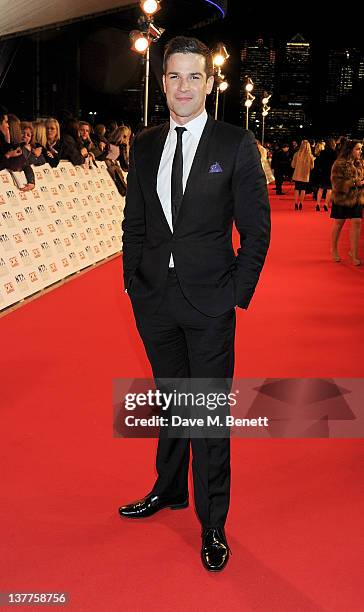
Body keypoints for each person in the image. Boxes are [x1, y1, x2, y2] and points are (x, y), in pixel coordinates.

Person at [119, 36, 270, 572]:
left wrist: (235, 295)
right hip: (154, 302)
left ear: (209, 83)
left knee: (205, 415)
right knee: (171, 404)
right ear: (162, 83)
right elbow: (134, 222)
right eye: (174, 77)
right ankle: (169, 489)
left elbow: (257, 231)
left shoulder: (235, 145)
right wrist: (132, 285)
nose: (184, 87)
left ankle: (212, 523)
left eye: (194, 77)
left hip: (210, 306)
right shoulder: (144, 145)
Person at [330, 140, 364, 265]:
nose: (360, 151)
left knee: (357, 222)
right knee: (339, 223)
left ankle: (354, 254)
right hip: (342, 198)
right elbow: (336, 183)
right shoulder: (339, 164)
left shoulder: (360, 163)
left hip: (357, 197)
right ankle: (333, 249)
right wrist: (354, 183)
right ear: (350, 150)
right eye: (357, 149)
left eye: (360, 149)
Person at [291, 139, 315, 210]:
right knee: (303, 189)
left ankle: (296, 203)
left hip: (297, 174)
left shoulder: (296, 154)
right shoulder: (310, 156)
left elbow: (293, 165)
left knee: (297, 189)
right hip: (305, 175)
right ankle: (301, 203)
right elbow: (312, 167)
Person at [315, 139, 337, 212]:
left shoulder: (322, 152)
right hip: (330, 172)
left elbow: (319, 162)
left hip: (323, 172)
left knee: (320, 189)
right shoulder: (334, 153)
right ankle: (326, 204)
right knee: (329, 189)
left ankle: (318, 204)